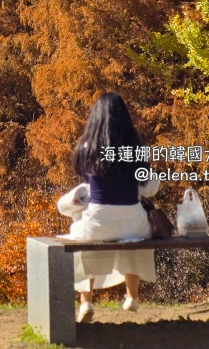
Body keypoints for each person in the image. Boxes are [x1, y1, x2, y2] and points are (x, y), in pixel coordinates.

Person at [63, 92, 160, 324]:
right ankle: (132, 296)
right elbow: (150, 187)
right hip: (134, 224)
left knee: (81, 239)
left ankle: (86, 302)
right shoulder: (135, 149)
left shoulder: (87, 148)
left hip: (97, 223)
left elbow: (89, 183)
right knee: (133, 242)